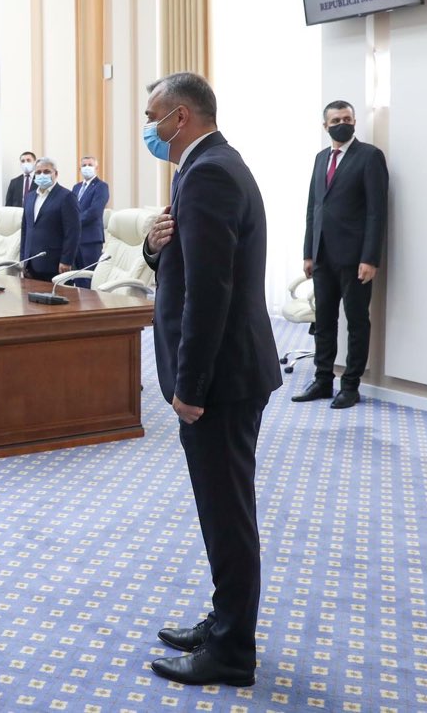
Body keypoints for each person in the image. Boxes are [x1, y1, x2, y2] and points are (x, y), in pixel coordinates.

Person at [141, 72, 281, 686]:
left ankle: (231, 652)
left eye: (153, 116)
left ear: (182, 117)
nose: (148, 128)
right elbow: (187, 263)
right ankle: (226, 621)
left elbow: (210, 291)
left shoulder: (210, 175)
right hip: (228, 373)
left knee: (227, 515)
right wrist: (153, 248)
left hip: (221, 380)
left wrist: (190, 386)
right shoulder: (203, 168)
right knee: (223, 510)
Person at [292, 100, 389, 409]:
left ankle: (350, 385)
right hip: (322, 257)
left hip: (355, 259)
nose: (342, 124)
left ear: (355, 121)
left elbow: (376, 212)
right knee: (324, 322)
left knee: (357, 323)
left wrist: (370, 258)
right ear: (326, 126)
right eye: (336, 120)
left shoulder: (370, 157)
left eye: (347, 119)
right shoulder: (321, 158)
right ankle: (323, 380)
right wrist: (308, 253)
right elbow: (313, 208)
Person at [19, 157, 80, 282]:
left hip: (55, 265)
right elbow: (25, 229)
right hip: (30, 264)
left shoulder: (66, 197)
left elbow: (73, 232)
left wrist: (66, 260)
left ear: (55, 174)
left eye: (46, 172)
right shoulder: (29, 197)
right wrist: (23, 259)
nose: (42, 175)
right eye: (38, 172)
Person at [70, 155, 110, 284]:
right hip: (75, 239)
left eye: (90, 165)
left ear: (96, 168)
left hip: (91, 239)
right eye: (84, 165)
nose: (87, 167)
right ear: (79, 169)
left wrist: (73, 222)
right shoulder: (76, 187)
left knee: (88, 278)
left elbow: (95, 211)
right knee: (76, 277)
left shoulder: (101, 186)